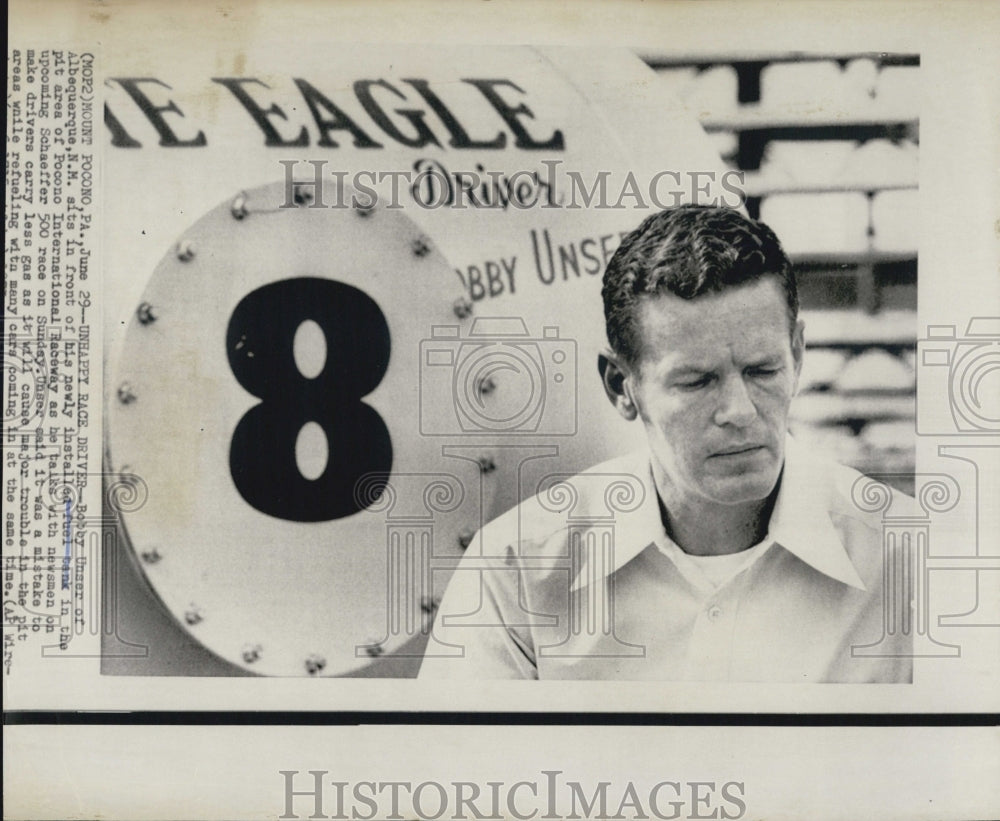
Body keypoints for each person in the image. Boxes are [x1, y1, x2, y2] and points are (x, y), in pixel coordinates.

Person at [419, 205, 912, 682]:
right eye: (696, 382)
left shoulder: (912, 560)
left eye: (763, 371)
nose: (739, 411)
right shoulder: (515, 568)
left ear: (798, 355)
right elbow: (458, 766)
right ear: (620, 385)